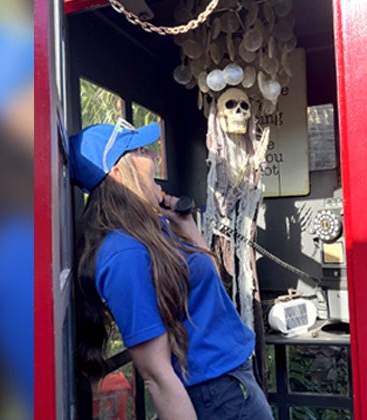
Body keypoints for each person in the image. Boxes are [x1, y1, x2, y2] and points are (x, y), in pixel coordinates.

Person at [71, 121, 274, 419]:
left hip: (234, 380)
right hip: (216, 395)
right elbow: (157, 375)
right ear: (117, 174)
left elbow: (209, 289)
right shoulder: (123, 254)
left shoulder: (157, 228)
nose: (155, 157)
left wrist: (186, 224)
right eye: (142, 150)